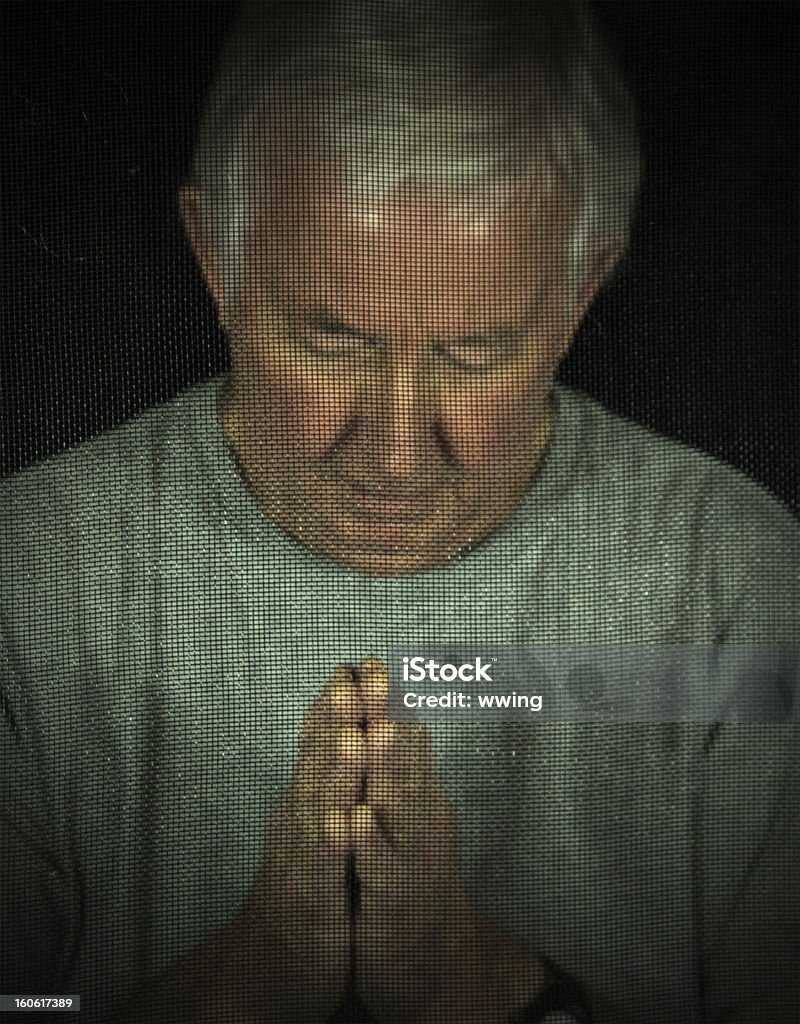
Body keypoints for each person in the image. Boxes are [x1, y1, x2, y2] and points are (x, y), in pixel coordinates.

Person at [1, 2, 798, 1022]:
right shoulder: (28, 580)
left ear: (581, 289)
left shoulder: (735, 587)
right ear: (215, 260)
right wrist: (242, 986)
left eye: (473, 355)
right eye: (331, 344)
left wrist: (481, 989)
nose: (390, 449)